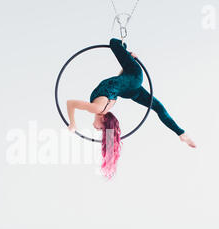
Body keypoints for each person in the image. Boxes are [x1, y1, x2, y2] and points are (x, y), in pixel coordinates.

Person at [66, 38, 196, 178]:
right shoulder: (97, 108)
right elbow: (70, 103)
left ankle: (181, 134)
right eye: (102, 128)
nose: (97, 129)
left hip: (129, 89)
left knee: (158, 107)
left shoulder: (104, 108)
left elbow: (117, 82)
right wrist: (72, 123)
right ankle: (181, 133)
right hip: (133, 77)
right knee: (114, 43)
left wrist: (128, 59)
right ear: (104, 118)